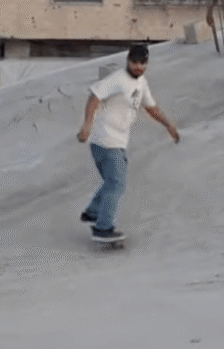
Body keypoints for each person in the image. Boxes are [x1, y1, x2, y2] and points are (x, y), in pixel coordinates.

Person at [77, 44, 180, 241]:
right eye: (134, 62)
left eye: (142, 63)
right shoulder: (117, 79)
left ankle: (92, 212)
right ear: (128, 61)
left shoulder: (141, 83)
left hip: (116, 141)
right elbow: (94, 97)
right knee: (117, 184)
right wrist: (87, 125)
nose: (138, 67)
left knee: (112, 181)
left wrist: (168, 124)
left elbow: (151, 108)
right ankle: (103, 229)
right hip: (105, 140)